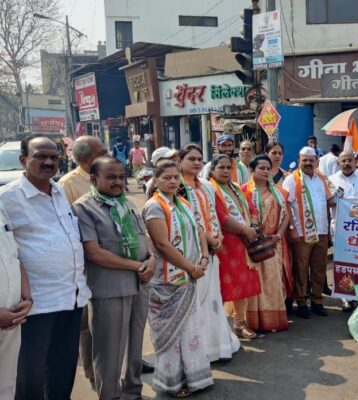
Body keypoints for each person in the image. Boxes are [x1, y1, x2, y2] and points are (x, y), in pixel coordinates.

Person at [0, 134, 91, 399]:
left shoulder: (59, 190)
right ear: (23, 160)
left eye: (54, 156)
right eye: (40, 156)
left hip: (71, 297)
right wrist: (25, 295)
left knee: (63, 370)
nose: (49, 161)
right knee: (31, 376)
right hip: (36, 303)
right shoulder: (7, 198)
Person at [73, 156, 155, 400]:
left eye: (121, 177)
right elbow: (94, 252)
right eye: (111, 177)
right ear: (94, 178)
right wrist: (138, 266)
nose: (118, 182)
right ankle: (110, 395)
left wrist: (151, 260)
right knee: (109, 351)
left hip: (140, 284)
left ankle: (132, 392)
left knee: (135, 343)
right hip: (109, 288)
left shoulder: (127, 203)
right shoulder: (83, 208)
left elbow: (145, 239)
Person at [143, 160, 213, 397]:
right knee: (170, 335)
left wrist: (203, 258)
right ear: (156, 181)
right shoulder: (154, 207)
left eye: (176, 177)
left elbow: (199, 230)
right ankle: (172, 382)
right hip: (166, 282)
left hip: (188, 277)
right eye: (167, 178)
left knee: (190, 330)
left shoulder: (181, 203)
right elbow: (162, 244)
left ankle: (194, 377)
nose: (173, 181)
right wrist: (190, 268)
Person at [178, 145, 240, 361]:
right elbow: (188, 220)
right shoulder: (177, 186)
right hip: (190, 250)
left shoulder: (205, 186)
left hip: (212, 248)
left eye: (199, 159)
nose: (196, 163)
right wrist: (210, 240)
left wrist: (218, 238)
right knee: (196, 300)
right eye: (191, 159)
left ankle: (217, 344)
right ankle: (199, 348)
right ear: (180, 160)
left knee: (213, 296)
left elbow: (212, 214)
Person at [57, 135, 110, 385]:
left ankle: (119, 365)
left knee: (114, 320)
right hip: (86, 264)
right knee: (88, 324)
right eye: (102, 151)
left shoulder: (109, 174)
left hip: (113, 263)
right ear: (84, 160)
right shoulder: (68, 184)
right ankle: (92, 374)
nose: (107, 153)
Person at [209, 153, 261, 339]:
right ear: (212, 170)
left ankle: (240, 323)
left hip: (243, 245)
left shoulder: (237, 188)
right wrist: (245, 229)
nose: (225, 171)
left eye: (228, 167)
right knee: (223, 286)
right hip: (225, 245)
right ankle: (221, 326)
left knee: (242, 286)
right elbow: (221, 217)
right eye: (220, 167)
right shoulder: (211, 190)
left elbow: (252, 208)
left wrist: (253, 226)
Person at [242, 155, 293, 332]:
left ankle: (272, 321)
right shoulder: (243, 192)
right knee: (254, 283)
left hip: (273, 243)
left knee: (272, 283)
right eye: (261, 168)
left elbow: (287, 215)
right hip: (251, 244)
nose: (265, 171)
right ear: (252, 170)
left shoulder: (279, 192)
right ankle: (253, 322)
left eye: (267, 168)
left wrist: (279, 235)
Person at [283, 147, 335, 319]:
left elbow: (330, 202)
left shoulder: (322, 178)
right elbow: (286, 206)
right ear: (299, 160)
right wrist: (292, 229)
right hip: (302, 232)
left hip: (321, 230)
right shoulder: (292, 179)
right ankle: (302, 302)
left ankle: (317, 301)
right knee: (301, 269)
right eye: (304, 160)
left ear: (317, 161)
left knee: (320, 268)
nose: (307, 163)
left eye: (311, 160)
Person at [0, 209, 30, 400]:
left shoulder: (1, 211)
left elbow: (14, 259)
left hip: (12, 319)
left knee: (7, 387)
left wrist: (27, 298)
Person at [58, 135, 108, 204]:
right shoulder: (67, 184)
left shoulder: (109, 176)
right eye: (102, 154)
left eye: (106, 152)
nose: (108, 157)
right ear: (84, 160)